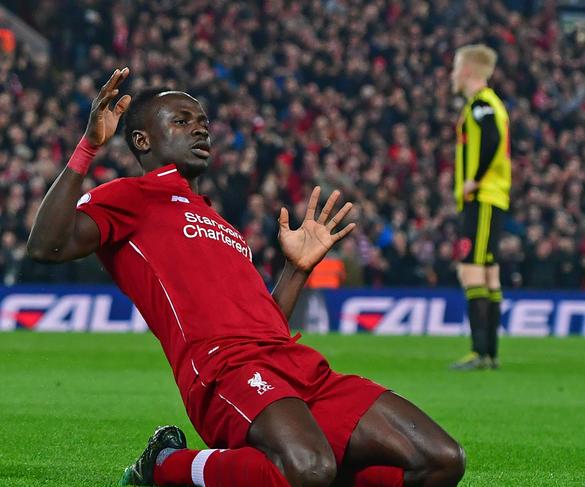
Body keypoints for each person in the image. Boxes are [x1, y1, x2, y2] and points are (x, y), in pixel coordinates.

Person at [27, 68, 465, 487]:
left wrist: (296, 270)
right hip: (224, 369)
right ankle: (165, 465)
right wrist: (87, 146)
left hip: (293, 363)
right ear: (143, 140)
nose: (201, 129)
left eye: (203, 121)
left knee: (442, 462)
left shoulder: (223, 225)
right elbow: (47, 246)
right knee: (309, 469)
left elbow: (267, 323)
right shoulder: (130, 197)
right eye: (182, 121)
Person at [450, 45, 512, 370]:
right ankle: (489, 353)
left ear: (469, 71)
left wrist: (473, 179)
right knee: (488, 272)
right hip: (490, 197)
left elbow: (491, 138)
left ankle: (478, 351)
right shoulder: (489, 104)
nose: (453, 74)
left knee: (471, 269)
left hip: (483, 196)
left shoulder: (481, 105)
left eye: (456, 67)